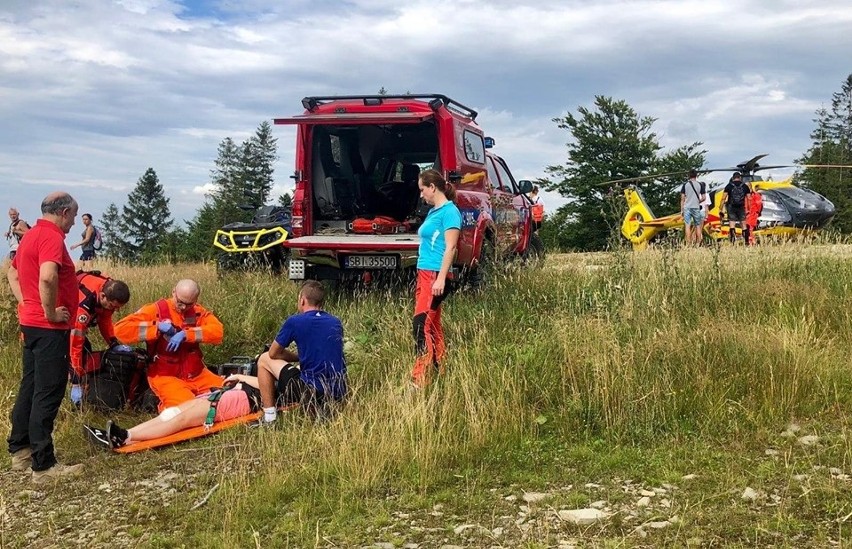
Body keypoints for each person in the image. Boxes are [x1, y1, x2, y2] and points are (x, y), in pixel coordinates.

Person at [6, 192, 83, 482]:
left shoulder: (30, 235)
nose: (74, 222)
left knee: (31, 384)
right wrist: (50, 312)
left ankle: (21, 451)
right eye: (73, 216)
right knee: (48, 390)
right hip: (49, 328)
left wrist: (26, 302)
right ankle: (44, 465)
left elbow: (12, 275)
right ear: (63, 212)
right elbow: (49, 277)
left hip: (31, 324)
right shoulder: (51, 237)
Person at [113, 279, 224, 410]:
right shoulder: (155, 310)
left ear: (195, 300)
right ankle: (165, 409)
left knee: (232, 394)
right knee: (186, 407)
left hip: (197, 374)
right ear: (173, 292)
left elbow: (218, 332)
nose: (183, 307)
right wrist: (157, 327)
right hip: (166, 376)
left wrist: (186, 334)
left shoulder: (198, 312)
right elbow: (120, 329)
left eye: (188, 304)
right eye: (180, 302)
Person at [83, 375, 265, 449]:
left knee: (182, 419)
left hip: (243, 399)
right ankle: (126, 434)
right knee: (173, 413)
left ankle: (124, 436)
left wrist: (241, 377)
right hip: (235, 392)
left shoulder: (284, 372)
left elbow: (268, 385)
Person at [256, 280, 346, 423]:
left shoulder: (295, 321)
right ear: (321, 302)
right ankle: (323, 409)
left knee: (264, 358)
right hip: (338, 390)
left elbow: (273, 353)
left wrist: (296, 357)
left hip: (311, 391)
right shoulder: (336, 322)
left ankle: (269, 417)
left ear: (302, 300)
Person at [411, 169, 462, 388]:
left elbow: (451, 247)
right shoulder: (434, 212)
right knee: (433, 324)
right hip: (424, 273)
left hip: (435, 275)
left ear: (433, 187)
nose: (421, 195)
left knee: (421, 326)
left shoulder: (450, 212)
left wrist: (441, 279)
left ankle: (419, 379)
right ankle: (440, 368)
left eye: (423, 190)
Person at [68, 271, 131, 406]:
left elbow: (105, 319)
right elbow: (75, 344)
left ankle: (83, 390)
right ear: (102, 296)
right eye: (114, 307)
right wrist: (75, 380)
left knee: (87, 359)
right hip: (58, 321)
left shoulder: (110, 290)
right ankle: (73, 394)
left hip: (75, 321)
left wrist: (113, 343)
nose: (116, 310)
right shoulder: (84, 305)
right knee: (80, 355)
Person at [720, 172, 751, 244]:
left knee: (732, 224)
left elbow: (723, 198)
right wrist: (748, 209)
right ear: (740, 178)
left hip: (731, 207)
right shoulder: (745, 186)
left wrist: (721, 208)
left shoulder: (729, 186)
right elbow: (749, 198)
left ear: (733, 178)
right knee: (743, 225)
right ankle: (746, 242)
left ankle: (733, 241)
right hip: (741, 207)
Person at [680, 169, 706, 246]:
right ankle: (698, 243)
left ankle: (688, 243)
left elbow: (682, 198)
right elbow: (704, 197)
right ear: (696, 176)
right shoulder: (700, 185)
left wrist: (682, 209)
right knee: (698, 225)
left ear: (689, 176)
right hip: (696, 207)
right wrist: (698, 201)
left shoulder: (685, 185)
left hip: (687, 207)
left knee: (687, 225)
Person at [746, 181, 763, 245]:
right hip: (746, 215)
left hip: (752, 215)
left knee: (750, 229)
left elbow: (759, 205)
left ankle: (752, 242)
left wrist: (757, 213)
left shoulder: (756, 195)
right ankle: (751, 241)